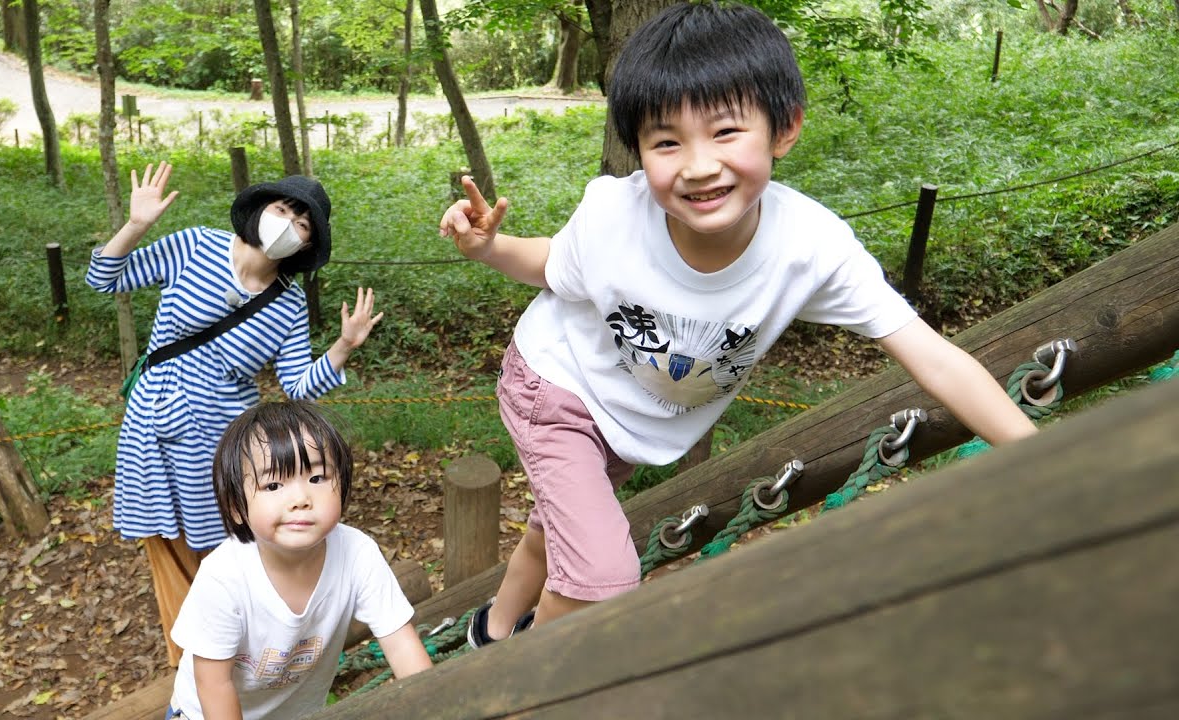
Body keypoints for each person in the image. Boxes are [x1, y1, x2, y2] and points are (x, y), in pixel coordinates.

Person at [438, 3, 1038, 648]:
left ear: (784, 130)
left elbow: (934, 357)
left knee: (555, 527)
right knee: (600, 576)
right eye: (667, 141)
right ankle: (509, 692)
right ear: (638, 149)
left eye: (725, 132)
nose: (697, 165)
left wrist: (1042, 454)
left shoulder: (810, 247)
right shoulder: (616, 214)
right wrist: (488, 249)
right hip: (553, 388)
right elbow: (555, 263)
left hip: (628, 423)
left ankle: (491, 631)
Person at [86, 163, 384, 665]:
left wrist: (342, 347)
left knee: (232, 544)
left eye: (303, 224)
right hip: (155, 419)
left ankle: (252, 656)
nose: (288, 223)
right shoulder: (196, 245)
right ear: (259, 210)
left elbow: (296, 386)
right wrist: (136, 225)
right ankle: (189, 666)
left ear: (308, 246)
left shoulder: (287, 304)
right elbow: (103, 278)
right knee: (167, 540)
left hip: (224, 437)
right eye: (283, 209)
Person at [167, 400, 432, 719]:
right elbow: (213, 684)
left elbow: (403, 648)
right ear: (237, 506)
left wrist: (437, 708)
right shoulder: (224, 578)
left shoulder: (357, 554)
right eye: (274, 484)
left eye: (317, 478)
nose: (300, 499)